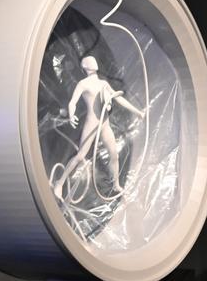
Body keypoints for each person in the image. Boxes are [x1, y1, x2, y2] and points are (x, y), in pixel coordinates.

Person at [53, 55, 145, 199]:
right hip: (91, 124)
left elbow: (118, 98)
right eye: (89, 60)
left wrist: (137, 112)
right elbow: (72, 102)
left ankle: (116, 185)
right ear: (85, 66)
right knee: (80, 156)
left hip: (104, 124)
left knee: (114, 154)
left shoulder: (103, 83)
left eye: (93, 59)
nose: (94, 61)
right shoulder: (83, 84)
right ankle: (60, 183)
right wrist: (71, 115)